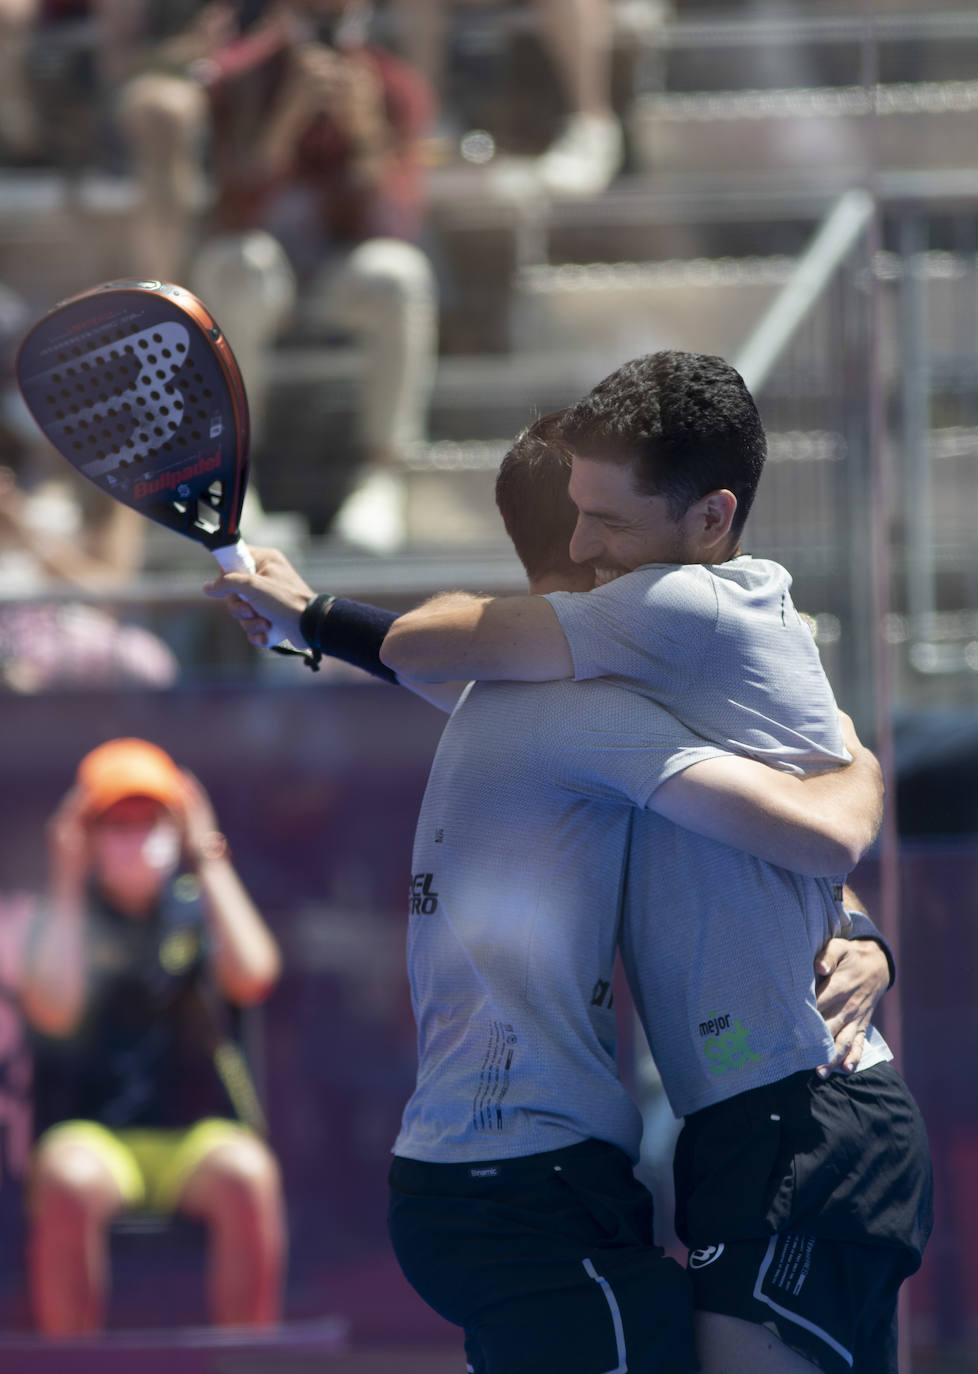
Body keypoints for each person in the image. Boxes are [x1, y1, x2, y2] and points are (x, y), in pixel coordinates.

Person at [204, 410, 905, 1372]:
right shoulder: (590, 718)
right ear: (609, 575)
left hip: (516, 1178)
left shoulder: (528, 706)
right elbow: (824, 829)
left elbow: (437, 659)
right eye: (610, 525)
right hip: (525, 1183)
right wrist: (861, 767)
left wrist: (313, 619)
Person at [21, 738, 286, 1337]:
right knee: (67, 1181)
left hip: (194, 1141)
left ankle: (249, 1360)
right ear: (85, 834)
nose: (135, 837)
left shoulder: (200, 907)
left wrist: (208, 856)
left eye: (149, 821)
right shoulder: (61, 915)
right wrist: (65, 878)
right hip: (94, 1141)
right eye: (117, 823)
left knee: (250, 1175)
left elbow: (255, 975)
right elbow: (54, 1011)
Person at [181, 0, 438, 551]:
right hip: (258, 279)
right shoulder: (235, 76)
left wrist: (364, 132)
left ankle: (381, 476)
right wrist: (286, 120)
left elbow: (399, 223)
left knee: (400, 275)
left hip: (335, 281)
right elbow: (223, 220)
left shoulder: (392, 84)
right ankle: (229, 479)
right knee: (238, 261)